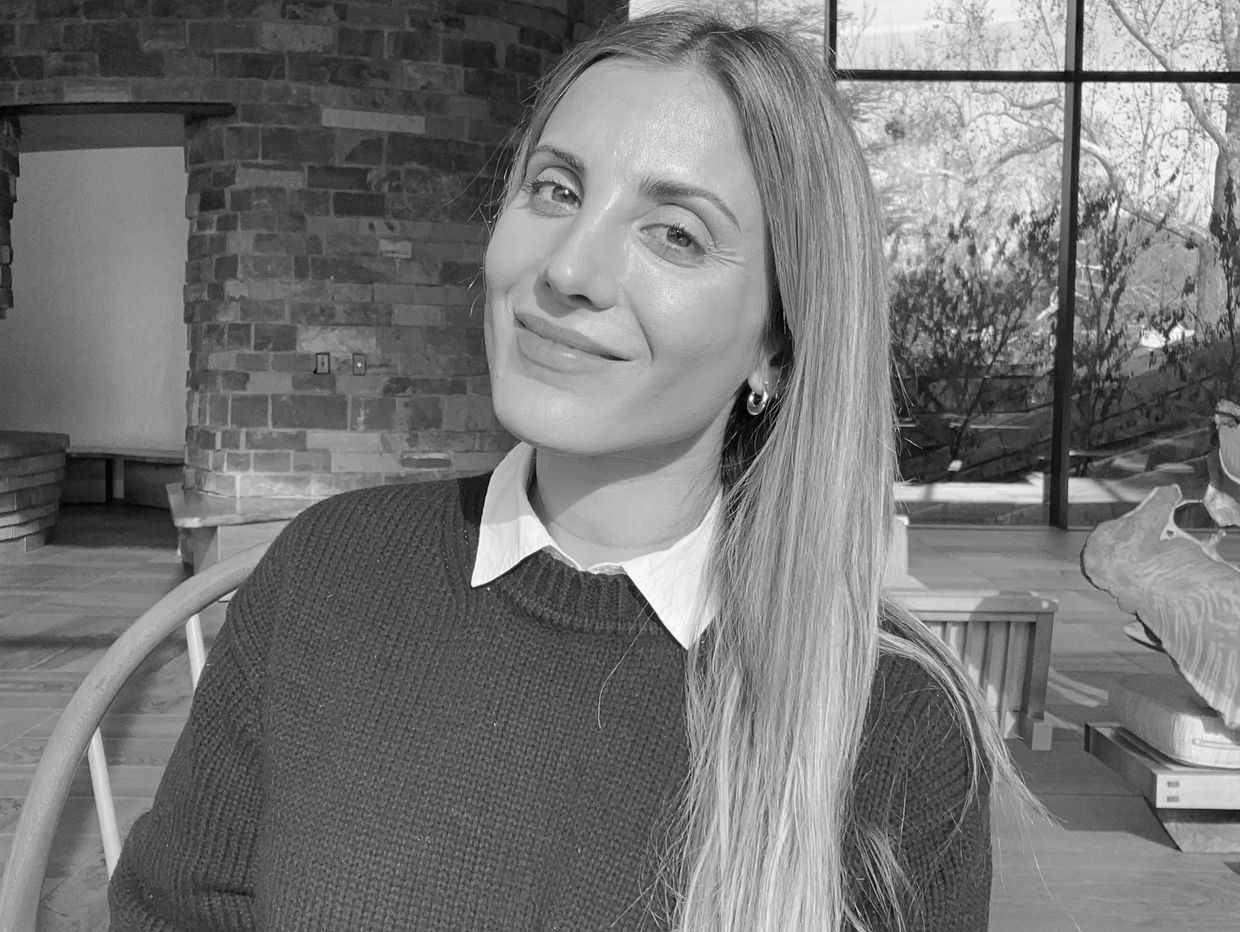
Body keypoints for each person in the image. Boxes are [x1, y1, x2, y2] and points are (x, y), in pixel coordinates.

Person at [109, 8, 1018, 931]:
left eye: (676, 234)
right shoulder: (328, 575)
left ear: (776, 347)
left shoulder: (894, 722)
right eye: (555, 189)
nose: (570, 268)